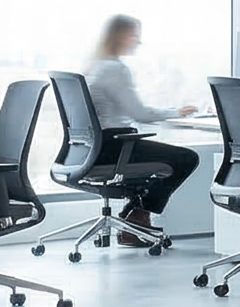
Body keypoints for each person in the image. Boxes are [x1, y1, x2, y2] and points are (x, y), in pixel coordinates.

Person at [84, 14, 199, 244]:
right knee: (186, 159)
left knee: (164, 159)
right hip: (115, 146)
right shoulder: (114, 69)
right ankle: (137, 216)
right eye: (134, 35)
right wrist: (176, 112)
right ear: (120, 36)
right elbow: (140, 114)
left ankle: (133, 215)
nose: (137, 42)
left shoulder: (94, 66)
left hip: (92, 148)